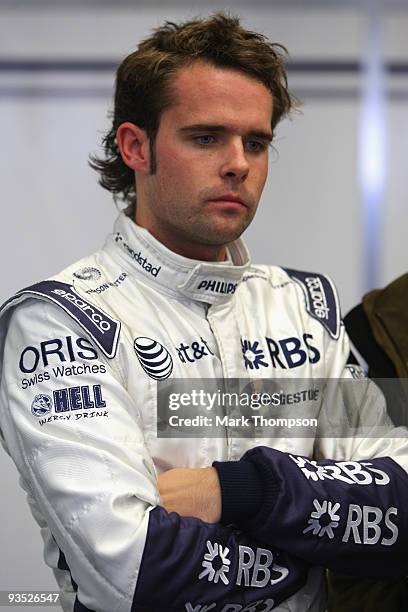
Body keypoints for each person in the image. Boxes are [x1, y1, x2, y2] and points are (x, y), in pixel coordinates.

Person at [0, 13, 407, 612]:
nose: (238, 163)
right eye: (206, 137)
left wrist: (238, 493)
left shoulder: (303, 306)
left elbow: (399, 509)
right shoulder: (60, 319)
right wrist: (310, 549)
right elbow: (132, 573)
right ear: (136, 147)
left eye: (257, 142)